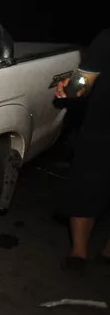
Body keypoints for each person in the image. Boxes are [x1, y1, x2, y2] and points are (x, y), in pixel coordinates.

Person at [54, 27, 110, 273]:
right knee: (86, 186)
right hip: (101, 128)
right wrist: (70, 88)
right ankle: (79, 252)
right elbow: (83, 83)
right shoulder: (107, 38)